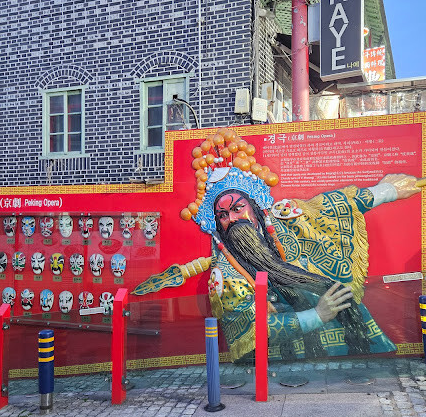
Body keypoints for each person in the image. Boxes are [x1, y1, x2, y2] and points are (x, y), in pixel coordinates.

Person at [134, 129, 424, 362]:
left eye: (237, 209)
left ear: (254, 207)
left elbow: (329, 206)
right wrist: (317, 315)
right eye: (222, 215)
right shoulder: (226, 272)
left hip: (347, 333)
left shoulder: (285, 219)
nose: (231, 219)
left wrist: (386, 190)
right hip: (287, 356)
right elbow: (253, 328)